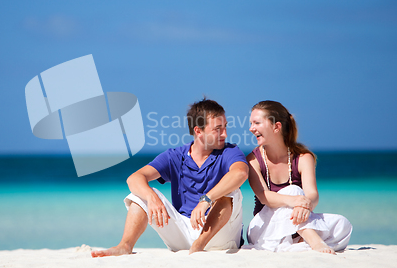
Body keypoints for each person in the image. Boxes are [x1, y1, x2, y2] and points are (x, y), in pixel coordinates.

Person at [91, 98, 249, 257]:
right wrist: (151, 197)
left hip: (220, 236)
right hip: (183, 235)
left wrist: (206, 200)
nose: (225, 134)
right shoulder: (175, 156)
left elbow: (240, 173)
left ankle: (199, 245)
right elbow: (135, 178)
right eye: (218, 128)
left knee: (231, 193)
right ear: (198, 131)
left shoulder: (230, 151)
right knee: (139, 194)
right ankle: (125, 246)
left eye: (225, 127)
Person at [246, 100, 352, 254]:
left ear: (276, 127)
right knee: (293, 190)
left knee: (343, 224)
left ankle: (297, 243)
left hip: (297, 224)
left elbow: (312, 195)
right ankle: (314, 241)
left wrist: (305, 205)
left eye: (256, 123)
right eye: (251, 123)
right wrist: (295, 200)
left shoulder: (303, 157)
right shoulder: (253, 160)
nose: (251, 128)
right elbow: (264, 197)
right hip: (264, 229)